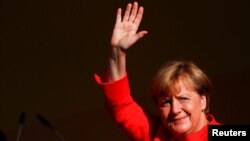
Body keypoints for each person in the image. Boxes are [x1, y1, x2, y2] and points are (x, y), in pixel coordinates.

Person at [94, 2, 220, 141]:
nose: (175, 110)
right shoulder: (156, 132)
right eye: (166, 102)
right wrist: (117, 52)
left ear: (203, 101)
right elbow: (120, 104)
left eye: (183, 98)